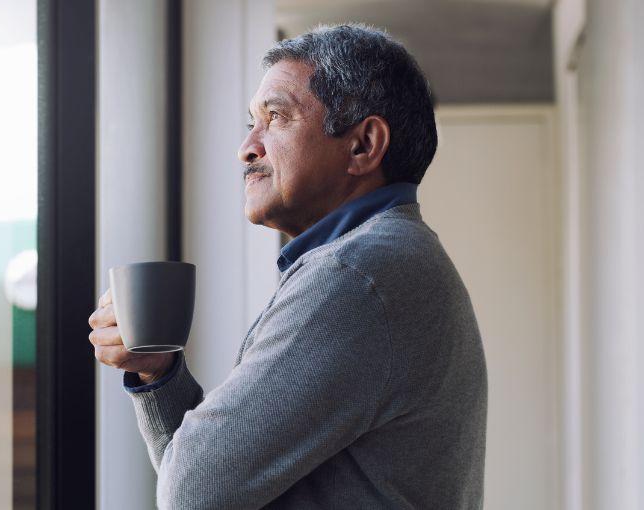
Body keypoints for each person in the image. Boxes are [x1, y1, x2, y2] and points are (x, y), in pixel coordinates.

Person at [88, 23, 487, 509]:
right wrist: (158, 375)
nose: (247, 148)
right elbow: (217, 480)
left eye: (276, 117)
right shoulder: (391, 259)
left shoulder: (356, 276)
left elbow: (193, 493)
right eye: (250, 123)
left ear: (363, 145)